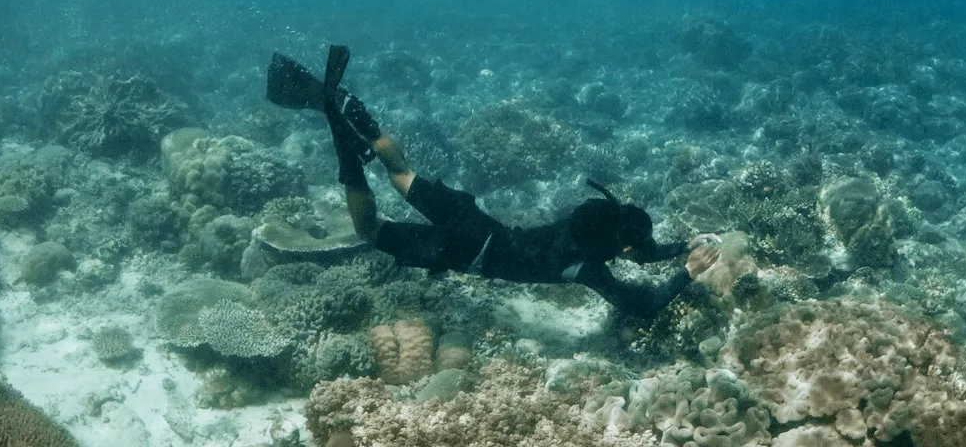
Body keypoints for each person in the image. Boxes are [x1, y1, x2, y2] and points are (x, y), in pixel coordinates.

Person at [267, 45, 720, 319]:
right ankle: (347, 149)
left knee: (400, 172)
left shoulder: (593, 216)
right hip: (463, 253)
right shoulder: (586, 268)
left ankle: (347, 108)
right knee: (371, 231)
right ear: (622, 246)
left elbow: (638, 250)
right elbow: (642, 305)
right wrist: (686, 272)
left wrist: (680, 246)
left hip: (473, 219)